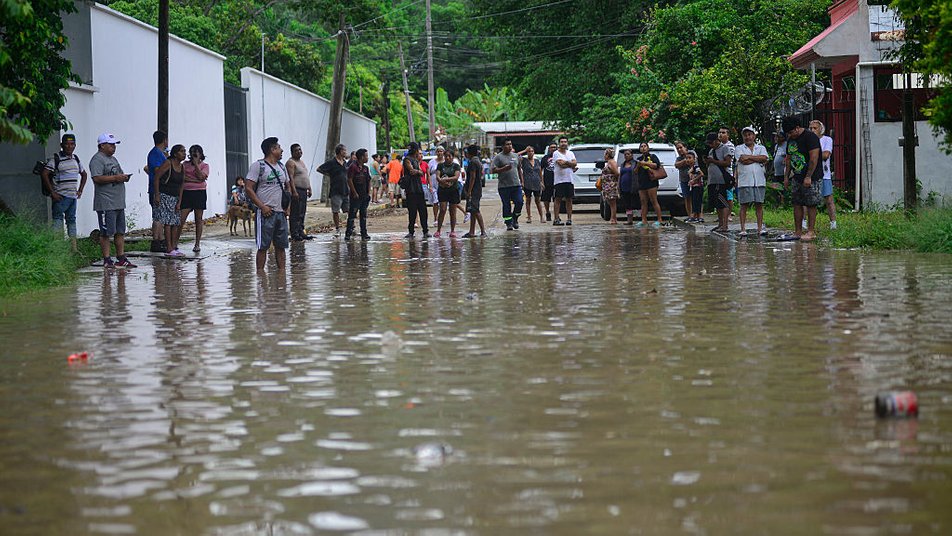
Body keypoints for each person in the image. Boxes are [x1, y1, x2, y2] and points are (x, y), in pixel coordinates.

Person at [89, 133, 135, 268]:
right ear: (102, 145)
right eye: (111, 145)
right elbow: (96, 178)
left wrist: (124, 177)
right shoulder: (97, 160)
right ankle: (107, 259)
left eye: (114, 145)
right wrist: (116, 178)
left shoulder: (113, 159)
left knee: (120, 231)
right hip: (106, 202)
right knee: (106, 232)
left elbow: (117, 174)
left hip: (118, 202)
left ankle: (121, 257)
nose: (114, 147)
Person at [246, 137, 292, 271]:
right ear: (272, 150)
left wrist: (287, 207)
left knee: (281, 246)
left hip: (281, 213)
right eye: (279, 147)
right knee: (263, 247)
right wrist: (262, 206)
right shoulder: (258, 166)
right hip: (265, 213)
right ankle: (260, 279)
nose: (282, 150)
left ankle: (282, 278)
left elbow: (287, 187)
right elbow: (248, 188)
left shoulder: (282, 167)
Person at [41, 133, 87, 251]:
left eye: (72, 144)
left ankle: (74, 249)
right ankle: (58, 248)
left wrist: (80, 190)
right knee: (57, 220)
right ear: (62, 145)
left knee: (71, 221)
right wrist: (53, 193)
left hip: (72, 197)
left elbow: (84, 174)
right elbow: (45, 174)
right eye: (66, 144)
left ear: (75, 145)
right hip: (60, 196)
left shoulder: (76, 159)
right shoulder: (56, 159)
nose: (69, 146)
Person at [783, 117, 823, 241]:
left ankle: (811, 231)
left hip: (812, 177)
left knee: (811, 204)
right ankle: (798, 231)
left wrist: (808, 176)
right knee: (797, 203)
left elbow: (814, 158)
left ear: (797, 128)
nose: (790, 135)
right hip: (797, 176)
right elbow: (789, 158)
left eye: (791, 132)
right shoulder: (791, 140)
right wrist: (786, 177)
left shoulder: (811, 137)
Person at [152, 144, 186, 256]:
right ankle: (169, 247)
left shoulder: (182, 167)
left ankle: (173, 246)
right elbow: (156, 177)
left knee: (175, 222)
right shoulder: (168, 163)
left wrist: (180, 201)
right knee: (167, 222)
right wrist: (157, 195)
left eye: (185, 151)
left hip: (175, 197)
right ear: (175, 154)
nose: (184, 153)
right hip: (165, 195)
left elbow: (182, 185)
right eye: (182, 151)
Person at [735, 126, 769, 236]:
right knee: (744, 205)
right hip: (745, 181)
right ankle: (743, 229)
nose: (747, 137)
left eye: (749, 134)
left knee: (759, 204)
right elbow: (742, 160)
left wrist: (750, 158)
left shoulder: (761, 147)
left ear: (754, 136)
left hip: (759, 180)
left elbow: (765, 158)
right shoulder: (739, 148)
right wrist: (757, 159)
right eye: (745, 135)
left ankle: (760, 228)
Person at [180, 144, 209, 252]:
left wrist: (196, 164)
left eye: (196, 153)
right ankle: (175, 243)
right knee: (181, 219)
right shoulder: (184, 164)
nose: (194, 155)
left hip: (199, 193)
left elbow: (202, 177)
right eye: (192, 153)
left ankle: (197, 244)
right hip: (187, 192)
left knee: (198, 219)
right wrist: (196, 180)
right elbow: (182, 177)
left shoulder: (205, 165)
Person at [810, 119, 837, 230]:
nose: (812, 130)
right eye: (811, 128)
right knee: (809, 200)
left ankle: (833, 223)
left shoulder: (827, 139)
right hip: (811, 174)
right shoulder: (808, 141)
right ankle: (805, 222)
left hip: (824, 174)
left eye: (815, 128)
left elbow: (826, 155)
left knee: (829, 199)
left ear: (821, 129)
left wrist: (813, 155)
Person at [318, 144, 349, 236]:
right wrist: (329, 174)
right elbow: (319, 169)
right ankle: (337, 228)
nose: (345, 152)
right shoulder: (332, 162)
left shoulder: (345, 162)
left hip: (345, 189)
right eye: (344, 150)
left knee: (347, 210)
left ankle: (350, 227)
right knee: (336, 211)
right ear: (340, 151)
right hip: (335, 190)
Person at [492, 138, 524, 231]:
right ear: (502, 146)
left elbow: (519, 169)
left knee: (519, 202)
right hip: (504, 186)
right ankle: (508, 223)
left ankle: (515, 218)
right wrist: (503, 169)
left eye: (510, 144)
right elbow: (493, 170)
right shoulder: (498, 157)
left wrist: (522, 181)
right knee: (506, 205)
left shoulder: (515, 156)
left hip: (516, 185)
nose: (509, 146)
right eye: (507, 144)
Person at [704, 132, 733, 232]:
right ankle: (720, 224)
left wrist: (713, 161)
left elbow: (728, 163)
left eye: (711, 143)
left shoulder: (725, 148)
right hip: (712, 180)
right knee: (717, 204)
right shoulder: (711, 151)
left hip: (721, 181)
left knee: (723, 203)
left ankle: (725, 225)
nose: (710, 145)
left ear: (717, 140)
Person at [146, 130, 168, 252]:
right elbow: (157, 170)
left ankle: (160, 239)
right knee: (157, 216)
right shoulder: (155, 153)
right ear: (164, 140)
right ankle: (156, 241)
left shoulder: (161, 153)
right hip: (156, 189)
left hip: (162, 189)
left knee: (161, 216)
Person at [402, 142, 429, 239]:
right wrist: (418, 172)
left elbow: (419, 172)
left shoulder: (415, 160)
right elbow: (412, 171)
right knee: (412, 212)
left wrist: (417, 172)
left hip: (418, 188)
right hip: (411, 189)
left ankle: (425, 231)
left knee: (423, 211)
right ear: (416, 150)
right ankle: (411, 231)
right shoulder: (407, 160)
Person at [286, 143, 313, 241]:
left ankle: (301, 231)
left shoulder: (301, 162)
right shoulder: (291, 162)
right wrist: (294, 191)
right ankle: (295, 233)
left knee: (302, 212)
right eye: (296, 150)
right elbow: (290, 178)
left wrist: (309, 188)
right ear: (292, 152)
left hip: (304, 190)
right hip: (296, 190)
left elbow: (305, 176)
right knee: (295, 213)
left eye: (300, 150)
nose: (299, 152)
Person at [434, 148, 462, 238]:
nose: (447, 158)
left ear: (452, 157)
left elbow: (456, 177)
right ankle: (438, 230)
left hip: (453, 190)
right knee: (442, 209)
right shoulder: (440, 166)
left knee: (452, 211)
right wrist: (443, 182)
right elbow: (437, 176)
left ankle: (452, 230)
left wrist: (446, 179)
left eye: (449, 156)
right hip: (442, 190)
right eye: (446, 156)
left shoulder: (456, 166)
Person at [345, 148, 372, 241]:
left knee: (363, 215)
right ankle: (348, 233)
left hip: (364, 195)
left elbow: (368, 180)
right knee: (352, 214)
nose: (367, 158)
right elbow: (349, 180)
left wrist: (368, 193)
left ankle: (364, 233)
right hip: (355, 195)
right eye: (366, 156)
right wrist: (354, 192)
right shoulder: (353, 167)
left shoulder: (365, 168)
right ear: (361, 157)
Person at [635, 143, 664, 227]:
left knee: (653, 200)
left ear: (648, 148)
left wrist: (645, 163)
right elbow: (635, 171)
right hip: (641, 183)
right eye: (641, 146)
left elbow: (656, 165)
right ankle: (644, 220)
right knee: (643, 202)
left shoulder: (653, 156)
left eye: (645, 146)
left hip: (651, 182)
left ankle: (659, 219)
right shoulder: (638, 159)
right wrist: (638, 165)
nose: (643, 148)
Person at [463, 144, 487, 238]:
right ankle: (471, 231)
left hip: (474, 190)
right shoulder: (477, 161)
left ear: (469, 153)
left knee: (475, 210)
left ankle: (483, 231)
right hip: (477, 189)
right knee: (472, 210)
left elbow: (472, 177)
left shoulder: (473, 162)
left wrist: (469, 191)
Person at [552, 136, 576, 226]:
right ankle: (556, 219)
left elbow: (575, 163)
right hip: (559, 180)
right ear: (559, 143)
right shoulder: (556, 153)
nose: (563, 143)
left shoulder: (571, 153)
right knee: (558, 199)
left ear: (567, 143)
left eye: (565, 141)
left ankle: (569, 219)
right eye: (561, 142)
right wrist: (570, 164)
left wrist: (567, 163)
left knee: (569, 199)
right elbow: (561, 164)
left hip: (569, 179)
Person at [674, 141, 698, 221]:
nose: (679, 150)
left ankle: (698, 215)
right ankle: (690, 215)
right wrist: (685, 160)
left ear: (685, 147)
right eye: (677, 148)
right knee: (687, 198)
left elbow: (694, 163)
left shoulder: (692, 153)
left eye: (681, 147)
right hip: (684, 180)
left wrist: (686, 161)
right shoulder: (678, 158)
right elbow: (677, 165)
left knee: (696, 198)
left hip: (695, 179)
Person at [521, 146, 544, 223]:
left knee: (538, 200)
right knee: (528, 200)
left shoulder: (537, 161)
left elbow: (540, 172)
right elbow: (515, 156)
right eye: (529, 151)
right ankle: (529, 217)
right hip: (527, 183)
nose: (530, 153)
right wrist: (524, 150)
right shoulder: (523, 160)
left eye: (532, 151)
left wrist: (542, 182)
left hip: (536, 182)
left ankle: (541, 217)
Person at [718, 126, 736, 221]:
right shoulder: (718, 146)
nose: (721, 134)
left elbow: (726, 161)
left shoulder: (730, 146)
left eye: (723, 132)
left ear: (728, 135)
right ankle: (721, 215)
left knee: (729, 196)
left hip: (727, 173)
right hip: (718, 175)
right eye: (720, 132)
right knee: (720, 195)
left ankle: (728, 214)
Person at [600, 147, 620, 224]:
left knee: (612, 203)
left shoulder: (612, 162)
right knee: (609, 202)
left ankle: (613, 218)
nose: (604, 156)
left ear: (608, 155)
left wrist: (612, 181)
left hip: (611, 185)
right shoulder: (608, 162)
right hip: (607, 185)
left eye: (605, 154)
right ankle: (613, 218)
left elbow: (617, 173)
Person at [618, 148, 638, 225]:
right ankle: (629, 220)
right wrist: (618, 186)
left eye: (628, 154)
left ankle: (640, 218)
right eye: (625, 154)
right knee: (627, 204)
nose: (626, 156)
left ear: (632, 155)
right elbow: (620, 175)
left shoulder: (635, 163)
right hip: (624, 187)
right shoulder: (622, 164)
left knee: (635, 203)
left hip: (633, 186)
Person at [540, 143, 557, 221]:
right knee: (546, 199)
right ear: (549, 149)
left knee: (557, 199)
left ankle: (557, 215)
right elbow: (541, 170)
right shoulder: (545, 158)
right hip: (547, 181)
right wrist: (541, 181)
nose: (553, 149)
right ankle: (547, 212)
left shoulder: (559, 157)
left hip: (557, 181)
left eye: (555, 147)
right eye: (552, 147)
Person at [427, 147, 444, 220]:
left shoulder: (445, 161)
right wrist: (430, 185)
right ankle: (435, 218)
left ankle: (441, 218)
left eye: (441, 151)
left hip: (443, 183)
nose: (439, 153)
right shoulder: (431, 162)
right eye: (438, 151)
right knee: (435, 201)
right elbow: (428, 174)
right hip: (434, 183)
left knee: (443, 203)